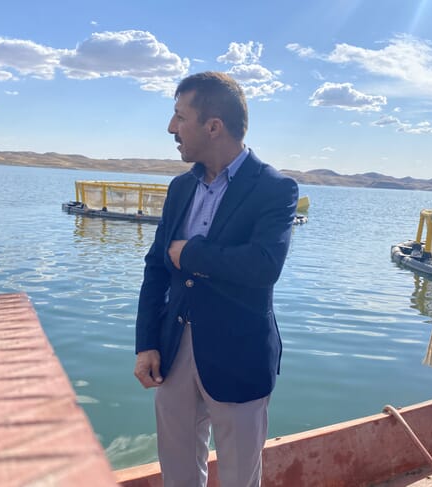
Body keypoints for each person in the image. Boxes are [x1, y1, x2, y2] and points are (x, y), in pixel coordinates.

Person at [134, 71, 299, 487]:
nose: (171, 128)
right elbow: (156, 267)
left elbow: (264, 265)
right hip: (173, 351)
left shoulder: (275, 189)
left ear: (213, 126)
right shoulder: (179, 188)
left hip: (239, 358)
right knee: (178, 473)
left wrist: (191, 253)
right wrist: (147, 343)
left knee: (241, 477)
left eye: (179, 116)